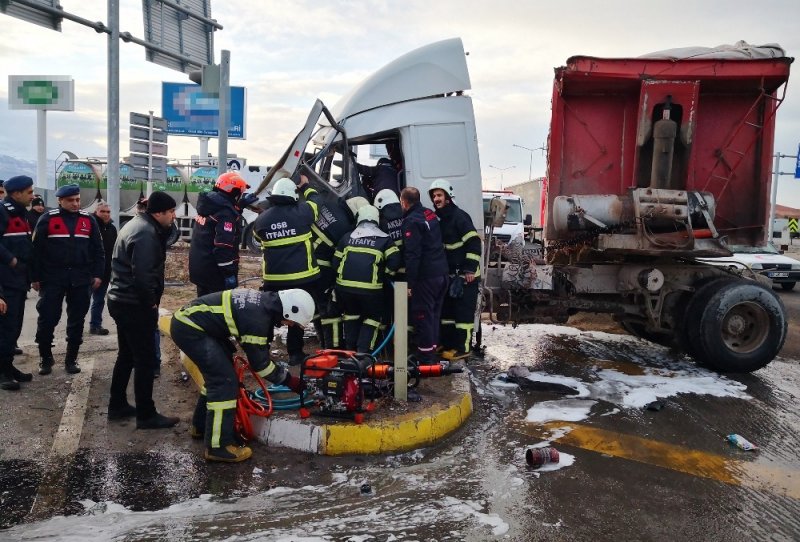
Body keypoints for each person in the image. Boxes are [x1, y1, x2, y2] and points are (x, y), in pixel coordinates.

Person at [170, 288, 312, 462]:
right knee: (224, 382)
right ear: (290, 311)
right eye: (293, 323)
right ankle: (218, 447)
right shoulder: (258, 319)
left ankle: (201, 426)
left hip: (193, 324)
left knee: (219, 377)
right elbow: (261, 366)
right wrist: (291, 382)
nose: (289, 326)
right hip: (191, 329)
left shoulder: (264, 304)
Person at [106, 191, 179, 429]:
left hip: (121, 300)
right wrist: (151, 301)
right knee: (145, 360)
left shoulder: (136, 224)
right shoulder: (146, 234)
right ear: (159, 213)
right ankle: (146, 415)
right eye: (170, 212)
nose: (173, 216)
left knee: (126, 355)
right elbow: (143, 275)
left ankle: (117, 405)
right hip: (134, 304)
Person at [31, 183, 105, 375]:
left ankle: (71, 358)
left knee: (77, 320)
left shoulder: (89, 220)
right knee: (47, 318)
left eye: (77, 200)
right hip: (52, 278)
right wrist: (35, 277)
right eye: (71, 200)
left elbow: (98, 250)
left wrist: (98, 274)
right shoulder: (47, 219)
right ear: (60, 200)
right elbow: (36, 251)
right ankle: (45, 358)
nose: (75, 203)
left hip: (80, 279)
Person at [253, 176, 324, 365]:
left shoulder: (261, 220)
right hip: (303, 278)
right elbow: (317, 202)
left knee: (267, 315)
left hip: (273, 280)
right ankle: (295, 354)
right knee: (297, 314)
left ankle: (262, 353)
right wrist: (306, 186)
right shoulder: (303, 212)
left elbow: (258, 239)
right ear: (294, 196)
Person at [333, 205, 401, 353]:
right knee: (373, 318)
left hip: (344, 288)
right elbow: (395, 259)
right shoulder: (385, 239)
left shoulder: (347, 237)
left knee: (351, 315)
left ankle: (350, 350)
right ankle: (364, 353)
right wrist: (385, 275)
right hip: (370, 290)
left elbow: (335, 262)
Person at [428, 179, 482, 360]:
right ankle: (448, 344)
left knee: (463, 314)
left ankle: (463, 348)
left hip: (467, 276)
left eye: (439, 195)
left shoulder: (460, 217)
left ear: (448, 197)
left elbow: (474, 243)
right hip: (451, 276)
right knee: (447, 313)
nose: (436, 199)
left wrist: (469, 270)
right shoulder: (439, 219)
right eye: (434, 196)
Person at [303, 176, 359, 348]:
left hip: (306, 266)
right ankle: (333, 348)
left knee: (316, 308)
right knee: (328, 311)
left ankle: (324, 343)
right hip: (322, 271)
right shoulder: (345, 228)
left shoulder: (329, 208)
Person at [400, 187, 448, 364]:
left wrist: (410, 284)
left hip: (426, 277)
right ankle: (431, 353)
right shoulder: (430, 214)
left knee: (423, 317)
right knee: (434, 316)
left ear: (404, 202)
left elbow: (412, 255)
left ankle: (426, 360)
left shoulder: (411, 221)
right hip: (442, 274)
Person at [189, 171, 255, 297]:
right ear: (234, 192)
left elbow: (217, 220)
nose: (240, 196)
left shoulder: (208, 205)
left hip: (200, 267)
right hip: (215, 273)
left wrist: (238, 208)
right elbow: (222, 248)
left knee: (203, 307)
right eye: (239, 193)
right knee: (217, 310)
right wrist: (229, 273)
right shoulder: (226, 214)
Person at [0, 175, 35, 390]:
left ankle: (8, 366)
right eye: (29, 192)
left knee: (13, 329)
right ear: (16, 193)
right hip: (5, 282)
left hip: (18, 281)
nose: (32, 195)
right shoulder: (2, 211)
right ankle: (3, 373)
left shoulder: (21, 214)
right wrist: (11, 260)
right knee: (5, 329)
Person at [88, 201, 117, 335]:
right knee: (82, 301)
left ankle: (95, 325)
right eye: (102, 211)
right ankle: (75, 325)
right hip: (90, 271)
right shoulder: (91, 226)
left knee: (99, 300)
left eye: (108, 212)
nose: (105, 214)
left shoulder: (111, 229)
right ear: (96, 212)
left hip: (105, 271)